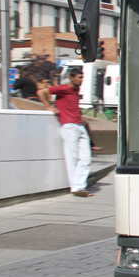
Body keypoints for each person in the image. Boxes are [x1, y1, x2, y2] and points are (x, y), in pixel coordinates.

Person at [37, 69, 93, 197]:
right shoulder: (64, 88)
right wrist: (49, 107)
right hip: (69, 126)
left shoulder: (75, 90)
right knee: (72, 157)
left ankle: (79, 185)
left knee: (86, 158)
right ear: (72, 78)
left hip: (79, 125)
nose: (81, 80)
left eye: (82, 77)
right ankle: (77, 187)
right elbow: (41, 92)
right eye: (79, 77)